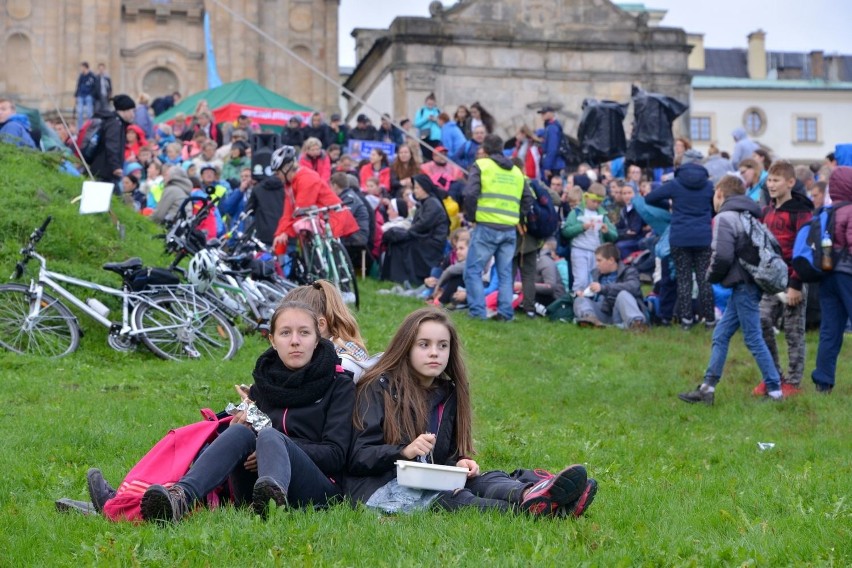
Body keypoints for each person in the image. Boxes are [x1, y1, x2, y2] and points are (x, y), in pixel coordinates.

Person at [345, 307, 597, 517]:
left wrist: (460, 463)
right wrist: (403, 451)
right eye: (424, 344)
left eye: (442, 345)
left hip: (428, 480)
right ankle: (541, 510)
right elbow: (357, 456)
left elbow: (443, 459)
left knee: (483, 480)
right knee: (453, 498)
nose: (435, 352)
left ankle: (531, 493)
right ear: (406, 347)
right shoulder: (378, 388)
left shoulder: (448, 392)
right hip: (381, 486)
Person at [139, 301, 355, 522]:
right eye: (285, 333)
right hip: (254, 487)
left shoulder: (339, 384)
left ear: (317, 340)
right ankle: (180, 498)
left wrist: (273, 450)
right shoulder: (264, 384)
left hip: (318, 489)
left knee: (270, 437)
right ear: (272, 340)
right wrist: (242, 433)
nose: (295, 341)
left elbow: (336, 456)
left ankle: (272, 504)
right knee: (238, 432)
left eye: (304, 333)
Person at [678, 175, 783, 405]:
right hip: (747, 284)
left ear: (720, 194)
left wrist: (710, 277)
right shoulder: (748, 215)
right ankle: (707, 388)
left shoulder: (725, 217)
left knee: (753, 338)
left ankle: (775, 391)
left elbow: (722, 255)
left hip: (744, 286)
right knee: (721, 334)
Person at [752, 160, 814, 397]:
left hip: (793, 281)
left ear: (790, 182)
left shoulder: (801, 212)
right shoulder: (766, 211)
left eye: (776, 180)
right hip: (770, 282)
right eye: (769, 180)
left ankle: (793, 382)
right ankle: (773, 376)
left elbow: (806, 248)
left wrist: (796, 284)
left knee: (793, 331)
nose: (771, 185)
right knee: (762, 321)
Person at [463, 134, 534, 321]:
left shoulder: (481, 165)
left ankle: (478, 313)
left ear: (484, 150)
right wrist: (517, 216)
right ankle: (505, 313)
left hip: (486, 225)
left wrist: (472, 217)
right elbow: (528, 198)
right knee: (505, 274)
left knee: (473, 270)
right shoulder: (517, 172)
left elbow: (470, 194)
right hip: (509, 228)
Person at [645, 150, 716, 330]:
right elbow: (715, 208)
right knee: (704, 280)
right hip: (703, 237)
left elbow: (650, 198)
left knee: (683, 279)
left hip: (680, 237)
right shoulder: (709, 186)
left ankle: (686, 321)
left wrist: (670, 204)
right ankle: (709, 320)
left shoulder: (674, 184)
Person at [270, 146, 359, 252]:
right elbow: (287, 213)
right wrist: (280, 233)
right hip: (318, 223)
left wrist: (286, 232)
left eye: (278, 173)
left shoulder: (306, 178)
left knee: (325, 261)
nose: (277, 177)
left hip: (333, 219)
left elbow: (302, 210)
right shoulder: (289, 185)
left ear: (285, 169)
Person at [810, 166, 852, 394]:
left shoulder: (825, 212)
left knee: (830, 330)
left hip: (826, 275)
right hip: (848, 275)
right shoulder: (851, 211)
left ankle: (823, 381)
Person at [284, 280, 376, 383]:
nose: (293, 340)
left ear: (320, 325)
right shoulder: (344, 348)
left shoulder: (339, 367)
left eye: (302, 331)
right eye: (286, 332)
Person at [573, 243, 648, 330]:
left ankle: (637, 324)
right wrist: (585, 293)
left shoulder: (629, 271)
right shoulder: (596, 274)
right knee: (580, 300)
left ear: (611, 260)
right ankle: (590, 319)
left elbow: (633, 287)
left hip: (622, 314)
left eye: (599, 260)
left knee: (623, 294)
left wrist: (604, 288)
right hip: (604, 312)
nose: (597, 264)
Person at [561, 185, 618, 294]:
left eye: (599, 202)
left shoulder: (603, 215)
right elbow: (566, 231)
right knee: (581, 280)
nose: (596, 204)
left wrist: (607, 232)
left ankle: (591, 304)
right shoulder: (576, 212)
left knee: (594, 280)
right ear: (586, 197)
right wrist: (582, 227)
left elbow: (614, 235)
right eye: (593, 201)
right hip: (579, 249)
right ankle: (576, 302)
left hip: (596, 252)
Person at [91, 94, 136, 187]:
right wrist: (116, 166)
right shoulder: (115, 124)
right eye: (132, 111)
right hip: (105, 171)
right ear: (125, 110)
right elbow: (112, 145)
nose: (133, 114)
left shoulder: (114, 122)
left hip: (103, 170)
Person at [538, 106, 565, 183]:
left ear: (551, 113)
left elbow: (552, 149)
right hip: (555, 164)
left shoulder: (552, 127)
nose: (542, 115)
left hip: (554, 166)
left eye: (544, 113)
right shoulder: (551, 126)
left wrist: (547, 167)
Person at [74, 62, 97, 130]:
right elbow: (78, 85)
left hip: (89, 95)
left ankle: (90, 126)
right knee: (79, 112)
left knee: (89, 112)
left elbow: (95, 86)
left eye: (82, 67)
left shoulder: (92, 75)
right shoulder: (81, 76)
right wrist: (76, 95)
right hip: (81, 95)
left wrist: (92, 95)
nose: (81, 69)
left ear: (85, 67)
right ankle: (80, 128)